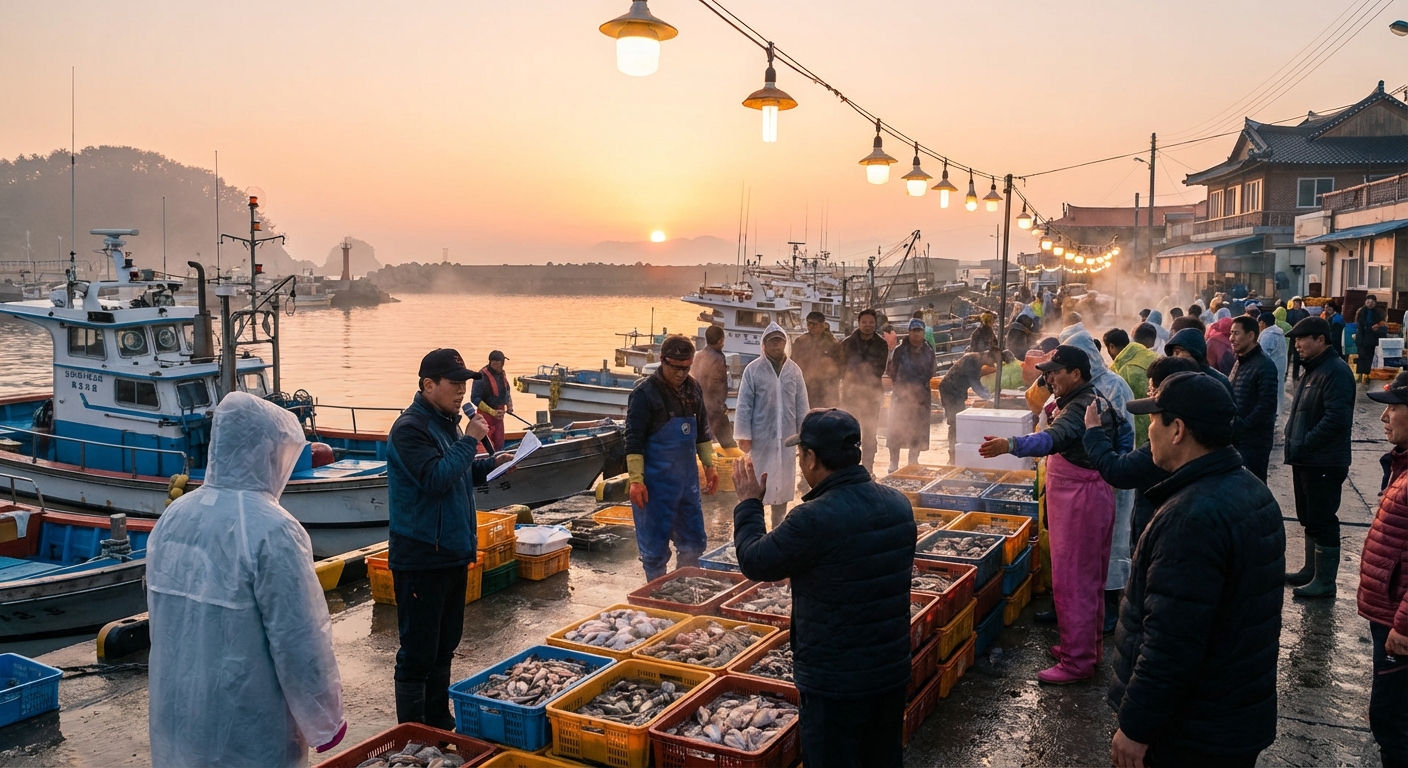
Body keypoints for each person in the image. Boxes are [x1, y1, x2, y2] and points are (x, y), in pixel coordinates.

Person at [148, 393, 346, 767]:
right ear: (266, 452)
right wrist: (325, 719)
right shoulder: (273, 530)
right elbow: (300, 638)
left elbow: (164, 622)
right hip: (248, 718)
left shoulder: (173, 518)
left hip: (178, 711)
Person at [1110, 372, 1285, 768]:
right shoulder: (1250, 488)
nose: (1148, 430)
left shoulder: (1191, 518)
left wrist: (1136, 726)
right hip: (1232, 716)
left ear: (1178, 430)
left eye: (1154, 420)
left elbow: (1171, 643)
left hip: (1191, 731)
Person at [732, 409, 916, 768]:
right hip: (889, 672)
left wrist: (749, 505)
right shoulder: (898, 504)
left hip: (836, 683)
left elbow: (755, 561)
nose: (800, 462)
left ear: (812, 458)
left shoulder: (813, 517)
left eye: (801, 455)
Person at [978, 345, 1127, 684]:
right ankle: (1084, 648)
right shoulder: (1087, 399)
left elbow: (1052, 439)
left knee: (1074, 581)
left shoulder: (1081, 407)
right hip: (1086, 496)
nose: (1048, 377)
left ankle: (1077, 662)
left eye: (1055, 372)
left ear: (1076, 374)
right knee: (1087, 578)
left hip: (1081, 501)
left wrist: (1011, 445)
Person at [388, 349, 511, 727]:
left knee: (445, 647)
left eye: (464, 383)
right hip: (422, 554)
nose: (463, 390)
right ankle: (412, 732)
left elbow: (457, 472)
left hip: (454, 551)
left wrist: (491, 464)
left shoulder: (447, 422)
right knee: (418, 651)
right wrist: (470, 440)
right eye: (455, 383)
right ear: (428, 385)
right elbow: (435, 479)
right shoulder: (410, 428)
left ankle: (439, 721)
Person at [1061, 328, 1137, 635]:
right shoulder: (1077, 388)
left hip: (1111, 477)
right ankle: (1083, 610)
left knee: (1113, 543)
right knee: (1086, 547)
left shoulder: (1114, 386)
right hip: (1085, 481)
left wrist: (1115, 469)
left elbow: (1126, 434)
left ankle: (1108, 608)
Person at [625, 335, 719, 580]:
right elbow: (633, 440)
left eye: (686, 368)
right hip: (655, 487)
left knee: (694, 542)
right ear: (662, 360)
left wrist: (709, 465)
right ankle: (656, 591)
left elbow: (702, 432)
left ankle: (685, 585)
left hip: (687, 484)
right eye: (675, 368)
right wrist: (636, 480)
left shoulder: (693, 387)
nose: (680, 374)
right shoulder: (644, 395)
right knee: (654, 549)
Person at [1084, 356, 1202, 548]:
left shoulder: (1164, 450)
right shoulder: (1206, 438)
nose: (1150, 423)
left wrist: (1094, 431)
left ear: (1177, 429)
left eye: (1152, 392)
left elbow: (1117, 471)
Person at [1283, 316, 1356, 599]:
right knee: (1309, 517)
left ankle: (1325, 582)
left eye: (1302, 339)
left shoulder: (1335, 371)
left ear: (1321, 340)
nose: (1297, 345)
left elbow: (1337, 419)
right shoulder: (1312, 370)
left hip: (1323, 460)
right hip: (1306, 459)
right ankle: (1310, 570)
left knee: (1323, 519)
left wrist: (1306, 443)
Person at [1360, 372, 1408, 768]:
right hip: (1389, 614)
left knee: (1393, 720)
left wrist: (1405, 625)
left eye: (1393, 407)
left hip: (1400, 622)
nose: (1384, 416)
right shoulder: (1401, 464)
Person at [736, 323, 809, 529]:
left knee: (784, 483)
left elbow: (802, 403)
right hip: (761, 437)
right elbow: (743, 404)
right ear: (764, 345)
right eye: (772, 341)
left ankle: (778, 526)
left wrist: (805, 433)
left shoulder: (794, 371)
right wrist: (743, 434)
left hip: (787, 437)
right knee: (759, 482)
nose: (777, 345)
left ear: (785, 343)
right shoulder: (753, 370)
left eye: (780, 341)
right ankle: (757, 526)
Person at [1228, 315, 1280, 482]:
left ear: (1251, 336)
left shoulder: (1264, 365)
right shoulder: (1240, 361)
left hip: (1254, 442)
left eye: (1236, 334)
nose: (1231, 338)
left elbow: (1267, 405)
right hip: (1238, 439)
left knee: (1252, 487)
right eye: (1231, 333)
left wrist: (1243, 426)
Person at [839, 309, 890, 471]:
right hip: (850, 395)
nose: (867, 326)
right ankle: (849, 467)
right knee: (849, 431)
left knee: (870, 432)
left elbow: (879, 369)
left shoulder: (881, 344)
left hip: (872, 394)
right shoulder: (847, 343)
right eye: (864, 322)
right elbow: (841, 368)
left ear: (876, 324)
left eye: (871, 323)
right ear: (858, 323)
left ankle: (868, 467)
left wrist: (860, 374)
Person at [885, 318, 936, 472]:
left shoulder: (929, 352)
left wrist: (918, 390)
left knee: (918, 430)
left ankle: (913, 461)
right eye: (913, 331)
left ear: (923, 332)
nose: (916, 334)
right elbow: (891, 371)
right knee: (896, 429)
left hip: (921, 398)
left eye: (919, 330)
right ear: (909, 332)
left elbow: (931, 372)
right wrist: (904, 388)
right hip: (901, 397)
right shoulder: (899, 350)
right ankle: (893, 462)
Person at [1104, 327, 1157, 447]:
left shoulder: (1124, 370)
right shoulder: (1149, 355)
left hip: (1139, 433)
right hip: (1161, 426)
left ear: (1111, 346)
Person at [938, 349, 995, 447]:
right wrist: (989, 397)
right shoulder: (972, 361)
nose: (992, 363)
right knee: (954, 421)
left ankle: (955, 447)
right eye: (993, 360)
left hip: (956, 391)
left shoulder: (975, 358)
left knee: (957, 420)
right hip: (950, 391)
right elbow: (975, 384)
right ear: (987, 356)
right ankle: (953, 450)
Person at [692, 325, 737, 449]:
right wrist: (720, 405)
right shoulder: (718, 357)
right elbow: (719, 383)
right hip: (714, 407)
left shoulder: (698, 355)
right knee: (728, 443)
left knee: (701, 441)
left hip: (698, 405)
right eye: (723, 340)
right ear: (720, 341)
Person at [1164, 327, 1234, 399]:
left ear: (1195, 352)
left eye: (1180, 351)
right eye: (1173, 352)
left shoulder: (1218, 380)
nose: (1175, 356)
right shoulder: (1169, 378)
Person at [792, 311, 842, 409]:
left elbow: (841, 366)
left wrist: (830, 368)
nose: (811, 327)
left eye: (814, 324)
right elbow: (793, 364)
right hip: (806, 387)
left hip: (827, 387)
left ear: (822, 324)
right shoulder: (800, 342)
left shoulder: (832, 343)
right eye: (808, 324)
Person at [471, 350, 514, 451]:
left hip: (499, 416)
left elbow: (507, 390)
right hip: (486, 416)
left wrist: (509, 405)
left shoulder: (502, 374)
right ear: (493, 362)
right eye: (501, 362)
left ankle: (500, 457)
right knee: (486, 444)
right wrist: (491, 412)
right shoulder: (481, 376)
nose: (502, 365)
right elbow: (474, 398)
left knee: (499, 442)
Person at [1258, 311, 1289, 420]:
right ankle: (1276, 412)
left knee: (1270, 392)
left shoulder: (1268, 336)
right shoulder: (1278, 333)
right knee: (1277, 390)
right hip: (1279, 367)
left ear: (1263, 323)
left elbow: (1263, 354)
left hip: (1271, 369)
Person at [1357, 295, 1389, 382]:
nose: (1370, 304)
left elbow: (1383, 325)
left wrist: (1377, 327)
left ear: (1375, 303)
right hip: (1362, 337)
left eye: (1372, 302)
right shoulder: (1361, 312)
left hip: (1373, 338)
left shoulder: (1379, 313)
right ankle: (1360, 375)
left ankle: (1368, 375)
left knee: (1370, 357)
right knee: (1361, 356)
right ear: (1365, 302)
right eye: (1368, 302)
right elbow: (1359, 325)